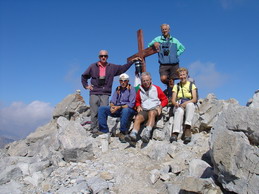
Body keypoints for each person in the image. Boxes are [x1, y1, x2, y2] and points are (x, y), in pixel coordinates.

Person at [81, 50, 141, 132]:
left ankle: (102, 130)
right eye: (101, 56)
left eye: (105, 56)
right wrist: (86, 86)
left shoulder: (111, 67)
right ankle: (94, 129)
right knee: (94, 111)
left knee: (102, 111)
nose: (103, 57)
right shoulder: (92, 66)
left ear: (107, 57)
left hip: (105, 93)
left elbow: (122, 68)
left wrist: (132, 61)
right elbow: (84, 76)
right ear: (99, 57)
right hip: (94, 92)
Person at [126, 72, 168, 143]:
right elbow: (137, 101)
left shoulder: (156, 88)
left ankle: (147, 133)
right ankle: (133, 133)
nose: (145, 82)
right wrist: (138, 106)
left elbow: (165, 99)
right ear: (141, 81)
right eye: (144, 81)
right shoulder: (139, 90)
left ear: (150, 80)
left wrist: (160, 106)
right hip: (144, 109)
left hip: (154, 108)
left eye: (147, 80)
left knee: (151, 113)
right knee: (138, 117)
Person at [94, 73, 136, 142]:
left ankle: (123, 132)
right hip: (118, 109)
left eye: (125, 81)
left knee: (125, 110)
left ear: (128, 81)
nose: (123, 82)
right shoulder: (118, 89)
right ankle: (104, 130)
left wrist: (118, 107)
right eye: (121, 81)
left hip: (128, 110)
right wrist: (112, 107)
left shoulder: (131, 89)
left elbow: (130, 104)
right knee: (102, 109)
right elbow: (113, 101)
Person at [148, 23, 185, 91]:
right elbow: (148, 46)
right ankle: (170, 86)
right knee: (163, 78)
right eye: (163, 29)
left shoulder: (175, 40)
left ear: (169, 30)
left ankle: (171, 96)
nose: (164, 30)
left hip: (174, 64)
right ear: (161, 31)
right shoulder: (158, 39)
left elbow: (182, 48)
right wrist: (154, 43)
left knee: (172, 80)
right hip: (163, 64)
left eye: (166, 29)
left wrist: (176, 54)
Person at [171, 67, 197, 144]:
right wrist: (175, 104)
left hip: (188, 101)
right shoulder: (176, 86)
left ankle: (188, 129)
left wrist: (186, 103)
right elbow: (173, 99)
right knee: (179, 111)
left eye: (184, 74)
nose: (182, 77)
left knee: (191, 105)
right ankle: (175, 133)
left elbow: (194, 99)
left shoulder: (191, 85)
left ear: (187, 75)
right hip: (179, 103)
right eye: (180, 75)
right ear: (179, 77)